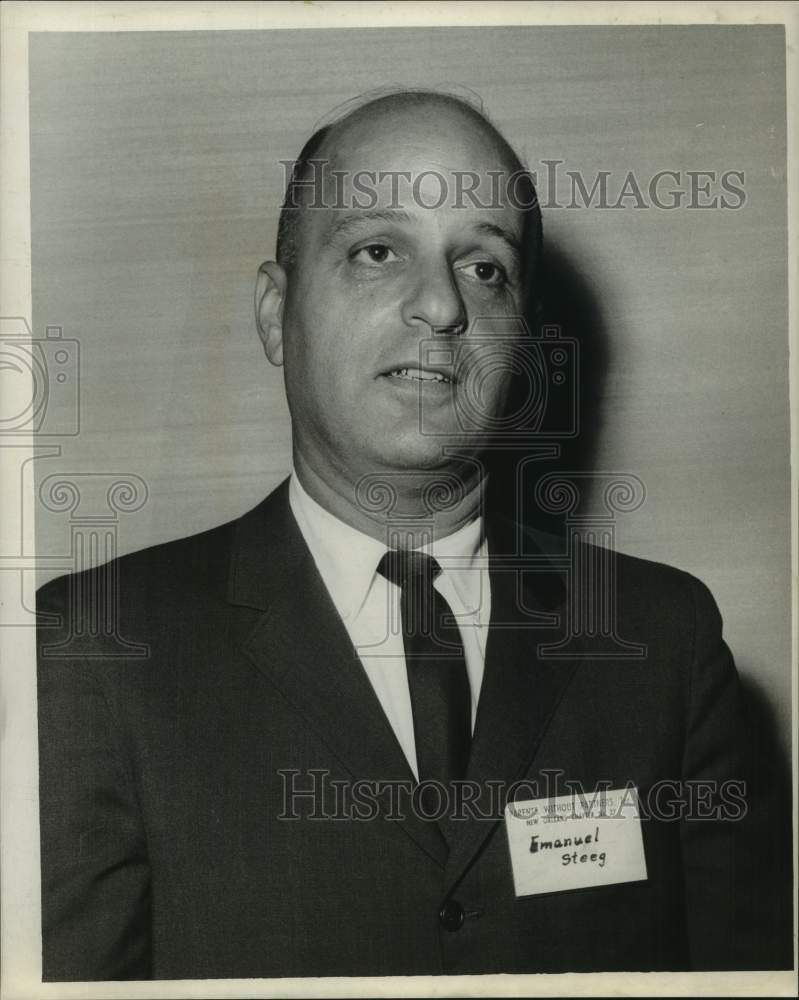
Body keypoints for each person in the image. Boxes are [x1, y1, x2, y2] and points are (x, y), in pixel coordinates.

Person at [36, 89, 791, 981]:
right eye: (376, 250)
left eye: (484, 268)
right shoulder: (93, 649)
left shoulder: (665, 639)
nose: (439, 306)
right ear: (276, 314)